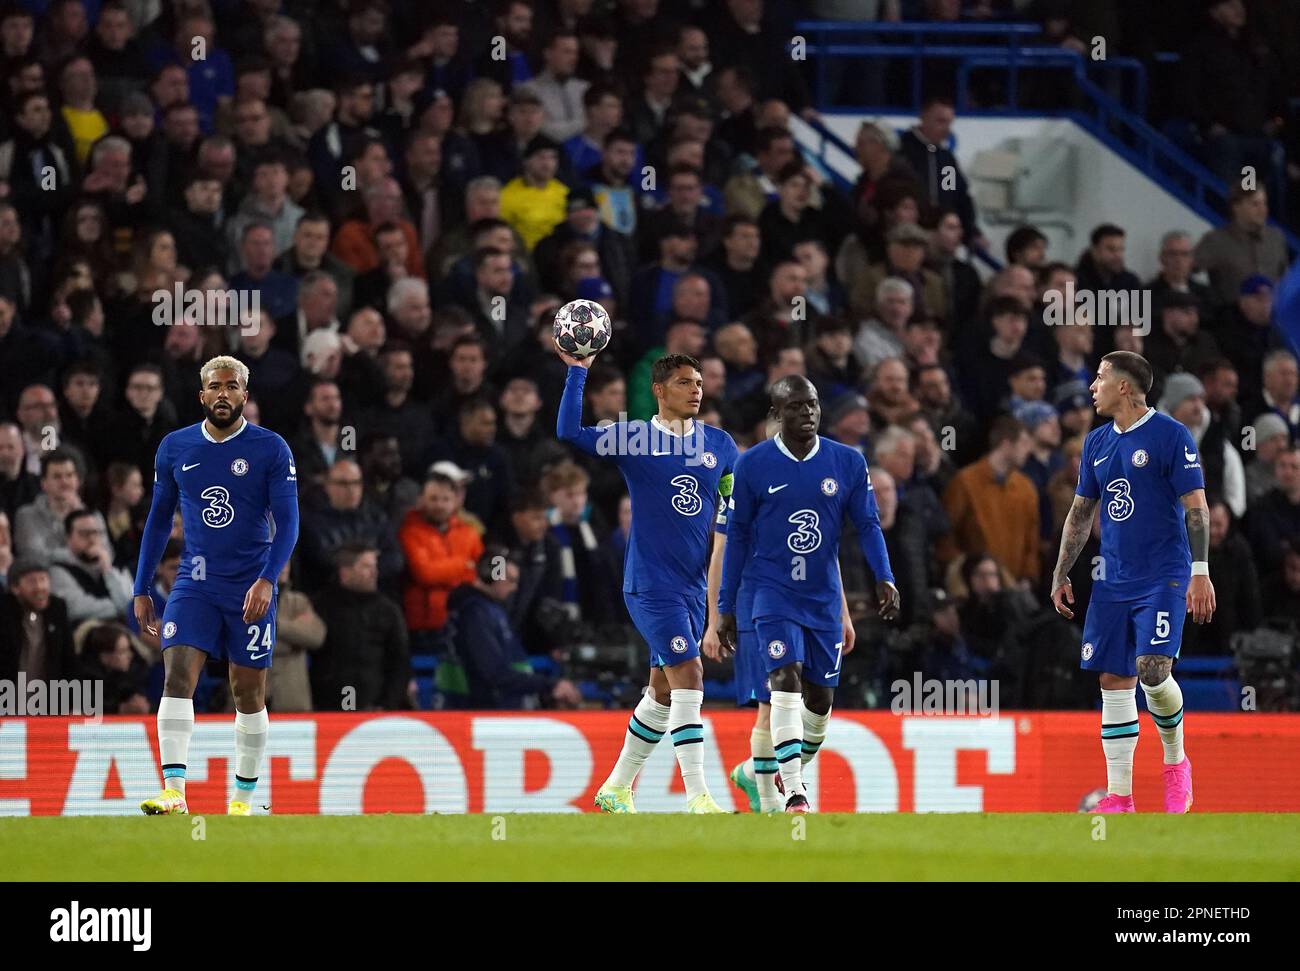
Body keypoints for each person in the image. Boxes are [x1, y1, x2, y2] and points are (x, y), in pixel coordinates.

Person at [557, 342, 739, 814]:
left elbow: (736, 509)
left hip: (694, 587)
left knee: (660, 690)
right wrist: (579, 372)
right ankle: (699, 795)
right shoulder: (634, 438)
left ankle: (616, 788)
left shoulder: (719, 445)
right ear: (659, 389)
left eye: (699, 383)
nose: (695, 390)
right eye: (684, 382)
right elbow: (568, 432)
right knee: (690, 675)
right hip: (650, 585)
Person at [716, 374, 899, 813]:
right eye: (796, 406)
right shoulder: (753, 465)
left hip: (820, 596)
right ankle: (795, 793)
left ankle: (777, 769)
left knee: (819, 703)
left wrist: (884, 576)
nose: (808, 413)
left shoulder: (848, 463)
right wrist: (724, 608)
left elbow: (868, 525)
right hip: (769, 592)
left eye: (813, 404)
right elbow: (734, 538)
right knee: (784, 681)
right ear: (777, 415)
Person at [133, 355, 300, 817]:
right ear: (201, 395)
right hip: (194, 584)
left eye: (232, 386)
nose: (223, 394)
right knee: (177, 675)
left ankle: (243, 801)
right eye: (214, 386)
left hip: (250, 585)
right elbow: (158, 520)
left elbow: (288, 524)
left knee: (246, 691)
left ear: (245, 395)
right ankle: (175, 792)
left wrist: (268, 578)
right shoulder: (174, 447)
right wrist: (142, 585)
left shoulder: (271, 449)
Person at [1049, 351, 1215, 814]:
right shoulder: (1097, 442)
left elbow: (1196, 507)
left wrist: (1200, 572)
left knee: (1153, 670)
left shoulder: (1170, 435)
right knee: (1113, 678)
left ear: (1124, 386)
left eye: (1100, 378)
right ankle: (1120, 797)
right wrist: (1062, 571)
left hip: (1164, 575)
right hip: (1113, 579)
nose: (1092, 387)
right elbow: (1082, 512)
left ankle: (1176, 763)